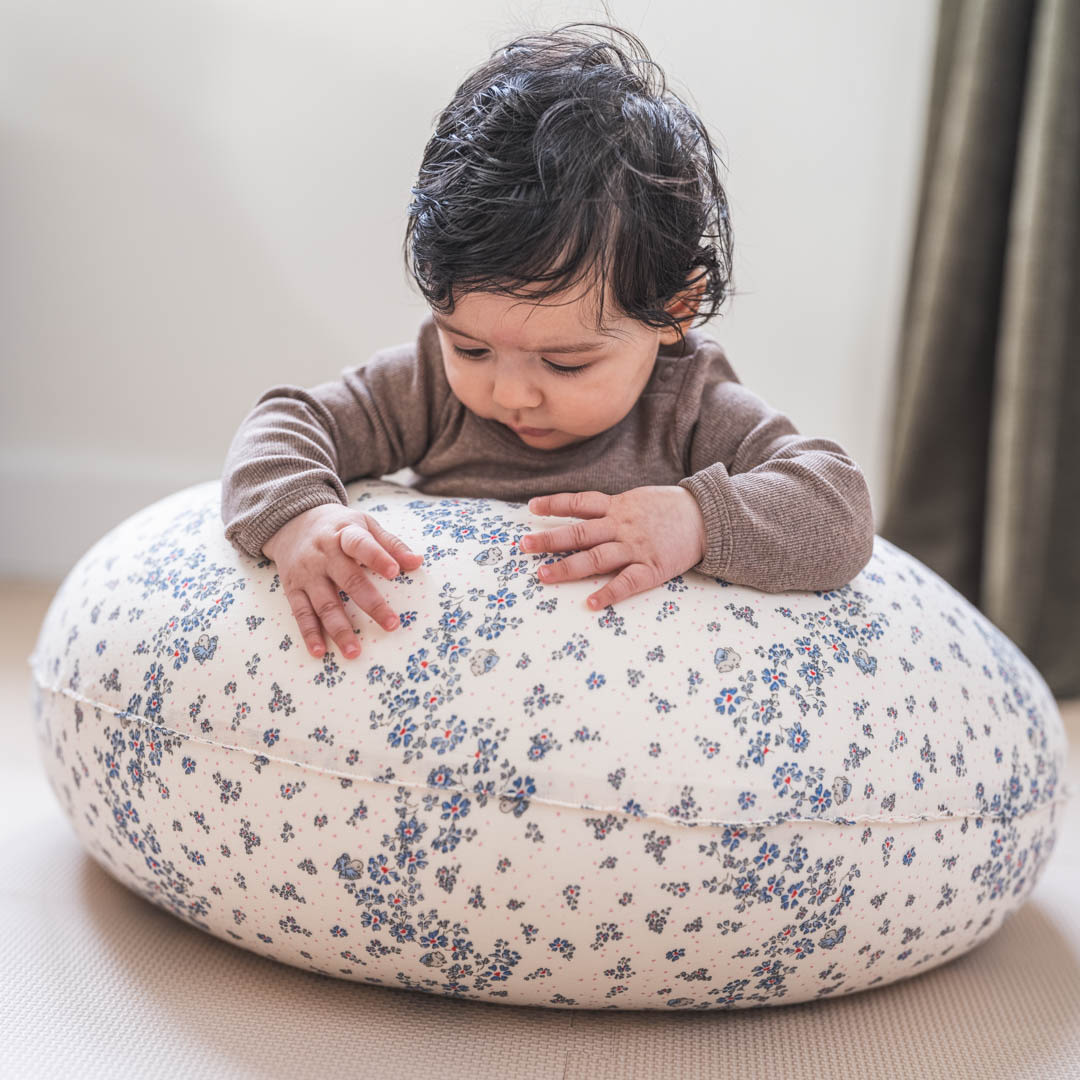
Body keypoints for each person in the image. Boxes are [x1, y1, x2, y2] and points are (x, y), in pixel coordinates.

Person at [220, 21, 875, 663]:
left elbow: (840, 509)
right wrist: (302, 521)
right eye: (471, 349)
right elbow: (283, 423)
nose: (507, 393)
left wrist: (696, 519)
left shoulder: (689, 409)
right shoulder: (428, 389)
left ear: (674, 310)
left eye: (565, 363)